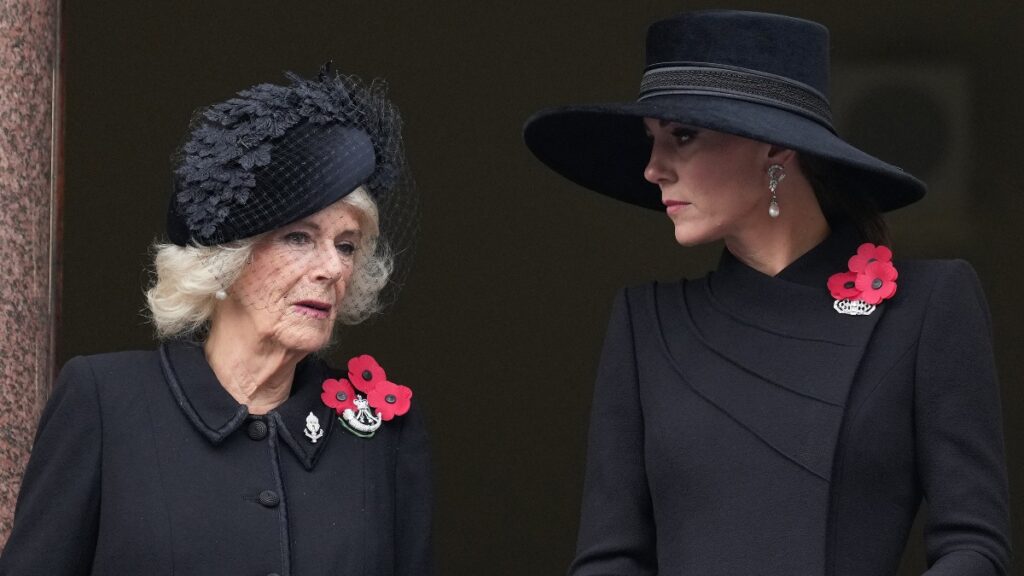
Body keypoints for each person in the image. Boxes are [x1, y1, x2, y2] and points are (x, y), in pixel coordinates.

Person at [524, 10, 1010, 576]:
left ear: (776, 150)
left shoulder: (927, 306)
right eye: (650, 140)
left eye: (683, 135)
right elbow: (607, 559)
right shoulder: (645, 324)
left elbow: (975, 545)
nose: (653, 168)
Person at [0, 65, 431, 576]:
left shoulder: (384, 433)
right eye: (299, 237)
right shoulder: (104, 402)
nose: (334, 268)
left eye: (346, 245)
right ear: (225, 258)